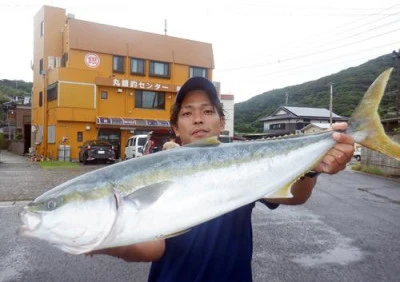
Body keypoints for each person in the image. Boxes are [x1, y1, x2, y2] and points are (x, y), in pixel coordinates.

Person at [89, 76, 354, 281]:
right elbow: (154, 248)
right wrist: (106, 242)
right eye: (187, 113)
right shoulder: (154, 171)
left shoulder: (241, 162)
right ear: (175, 128)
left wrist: (311, 168)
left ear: (221, 121)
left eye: (207, 111)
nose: (198, 120)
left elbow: (295, 196)